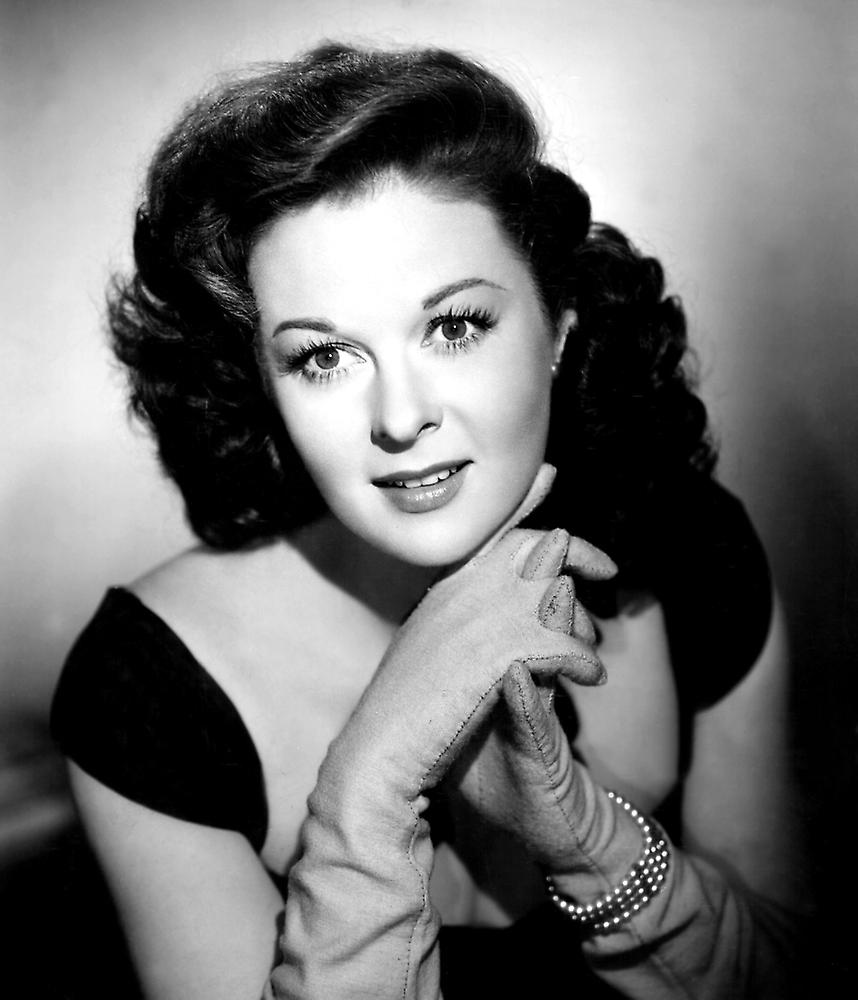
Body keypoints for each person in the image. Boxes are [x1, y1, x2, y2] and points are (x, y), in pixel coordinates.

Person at [51, 43, 809, 999]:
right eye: (324, 358)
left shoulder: (689, 549)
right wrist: (369, 787)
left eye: (453, 328)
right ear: (264, 385)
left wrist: (591, 841)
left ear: (557, 325)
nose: (400, 418)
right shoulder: (148, 692)